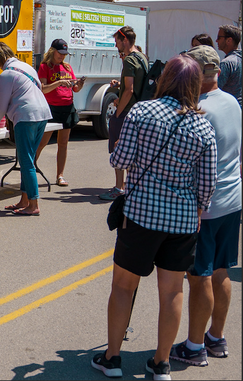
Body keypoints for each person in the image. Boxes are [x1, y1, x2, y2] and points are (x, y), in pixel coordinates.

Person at [91, 54, 216, 381]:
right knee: (172, 291)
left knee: (123, 286)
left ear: (164, 80)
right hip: (183, 221)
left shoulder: (142, 112)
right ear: (194, 85)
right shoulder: (203, 126)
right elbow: (207, 184)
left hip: (141, 215)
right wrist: (198, 211)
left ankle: (112, 358)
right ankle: (161, 363)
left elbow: (119, 157)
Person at [170, 46, 241, 367]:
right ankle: (215, 337)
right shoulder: (232, 103)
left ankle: (195, 346)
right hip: (232, 200)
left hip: (206, 206)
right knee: (221, 271)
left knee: (200, 276)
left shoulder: (199, 110)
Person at [0, 42, 51, 216]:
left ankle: (33, 204)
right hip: (43, 114)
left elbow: (1, 105)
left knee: (26, 162)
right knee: (28, 160)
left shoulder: (6, 74)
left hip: (26, 116)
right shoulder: (27, 67)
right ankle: (25, 200)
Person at [99, 26, 148, 202]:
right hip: (140, 111)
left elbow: (130, 89)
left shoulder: (129, 60)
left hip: (127, 112)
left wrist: (117, 113)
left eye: (117, 42)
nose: (116, 46)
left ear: (124, 40)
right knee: (134, 152)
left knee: (118, 150)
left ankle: (119, 188)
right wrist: (120, 86)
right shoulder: (141, 57)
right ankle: (130, 187)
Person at [36, 38, 84, 187]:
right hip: (51, 108)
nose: (62, 56)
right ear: (52, 51)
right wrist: (59, 82)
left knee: (63, 143)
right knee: (42, 141)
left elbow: (75, 89)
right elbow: (42, 89)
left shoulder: (67, 67)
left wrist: (79, 84)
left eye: (64, 54)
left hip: (67, 107)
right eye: (60, 53)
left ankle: (60, 176)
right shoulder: (45, 67)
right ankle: (29, 168)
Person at [215, 24, 241, 107]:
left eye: (219, 37)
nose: (216, 41)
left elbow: (216, 90)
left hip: (229, 109)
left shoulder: (226, 63)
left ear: (229, 40)